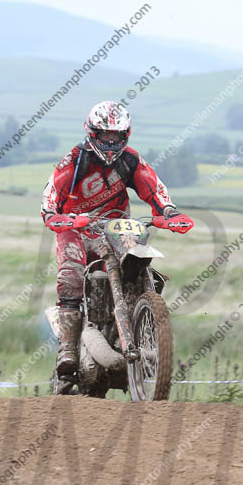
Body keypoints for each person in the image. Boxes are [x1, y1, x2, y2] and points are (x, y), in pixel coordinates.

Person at [41, 100, 194, 377]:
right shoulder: (75, 160)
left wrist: (169, 212)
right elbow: (51, 194)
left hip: (115, 227)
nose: (111, 142)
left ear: (125, 135)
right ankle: (67, 348)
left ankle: (144, 314)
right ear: (93, 133)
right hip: (75, 228)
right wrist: (53, 215)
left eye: (117, 136)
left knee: (137, 258)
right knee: (71, 274)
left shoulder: (130, 160)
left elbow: (154, 188)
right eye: (105, 136)